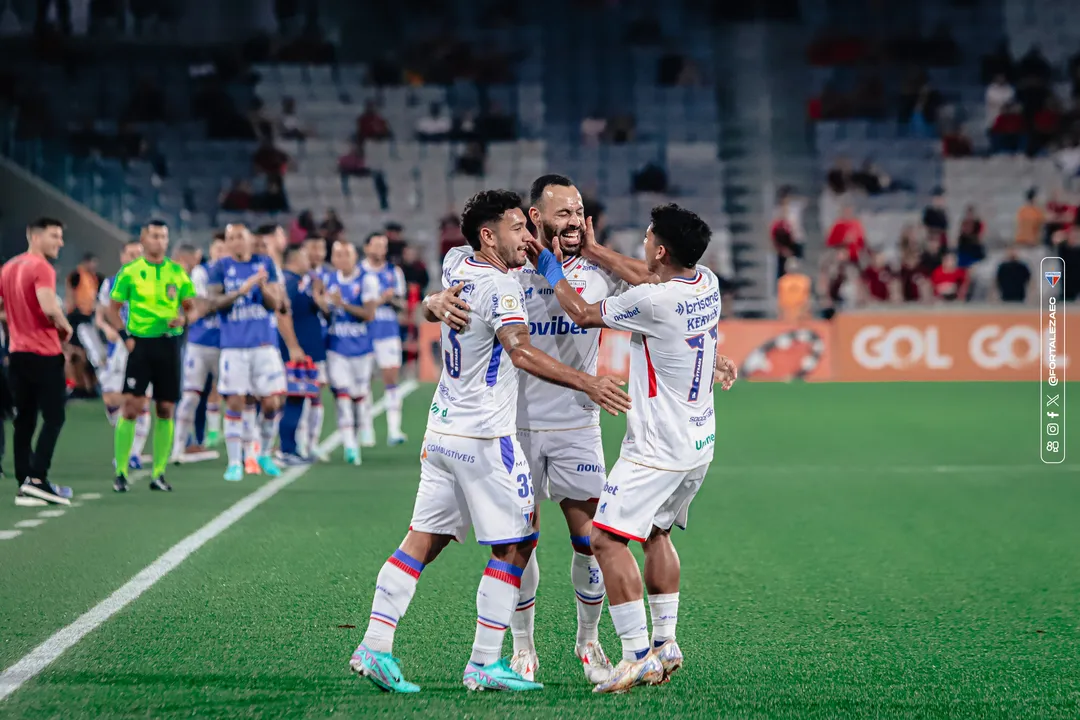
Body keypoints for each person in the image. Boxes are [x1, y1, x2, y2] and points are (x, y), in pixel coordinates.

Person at [348, 189, 631, 693]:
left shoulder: (457, 263)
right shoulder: (502, 286)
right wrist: (587, 381)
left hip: (441, 431)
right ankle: (485, 662)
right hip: (486, 437)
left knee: (421, 541)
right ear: (489, 235)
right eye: (518, 228)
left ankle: (374, 645)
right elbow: (520, 352)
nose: (526, 237)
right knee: (519, 542)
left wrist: (433, 303)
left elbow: (441, 300)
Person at [529, 203, 722, 693]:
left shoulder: (654, 304)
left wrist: (549, 267)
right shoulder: (707, 284)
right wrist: (594, 252)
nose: (642, 243)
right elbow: (647, 274)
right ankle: (666, 642)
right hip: (698, 443)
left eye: (647, 236)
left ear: (659, 249)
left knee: (606, 540)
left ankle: (636, 655)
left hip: (656, 450)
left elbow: (582, 311)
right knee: (658, 534)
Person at [107, 221, 197, 494]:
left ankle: (159, 473)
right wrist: (126, 339)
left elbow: (191, 308)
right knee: (132, 406)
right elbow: (113, 309)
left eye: (164, 236)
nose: (160, 241)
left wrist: (183, 318)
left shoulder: (177, 272)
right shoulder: (130, 272)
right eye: (155, 235)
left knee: (166, 409)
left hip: (169, 345)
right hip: (141, 346)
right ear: (144, 238)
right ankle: (121, 471)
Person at [0, 218, 74, 506]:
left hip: (17, 354)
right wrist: (66, 327)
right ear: (35, 236)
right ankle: (38, 478)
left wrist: (19, 321)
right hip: (43, 354)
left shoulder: (8, 268)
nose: (60, 242)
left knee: (25, 420)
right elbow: (48, 307)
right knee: (55, 417)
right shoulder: (41, 267)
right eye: (55, 235)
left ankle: (25, 484)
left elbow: (4, 310)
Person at [208, 224, 287, 482]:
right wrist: (240, 291)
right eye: (230, 238)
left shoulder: (265, 264)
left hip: (264, 345)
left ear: (250, 240)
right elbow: (214, 303)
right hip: (234, 347)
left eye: (240, 237)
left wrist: (262, 287)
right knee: (234, 402)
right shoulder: (220, 267)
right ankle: (234, 462)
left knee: (272, 402)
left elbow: (275, 304)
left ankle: (263, 452)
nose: (235, 242)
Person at [96, 240, 152, 471]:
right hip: (118, 347)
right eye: (131, 254)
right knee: (110, 399)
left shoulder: (152, 281)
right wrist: (107, 328)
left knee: (142, 400)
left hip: (143, 345)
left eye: (139, 254)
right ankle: (125, 437)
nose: (135, 257)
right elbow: (100, 314)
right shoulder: (111, 283)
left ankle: (134, 453)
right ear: (122, 257)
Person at [170, 234, 227, 463]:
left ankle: (246, 450)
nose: (222, 253)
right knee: (190, 396)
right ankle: (178, 448)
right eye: (218, 248)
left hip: (228, 344)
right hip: (200, 342)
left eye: (226, 249)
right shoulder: (201, 273)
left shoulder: (236, 272)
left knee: (236, 397)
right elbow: (199, 305)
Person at [326, 240, 378, 465]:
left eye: (346, 254)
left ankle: (357, 435)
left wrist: (342, 304)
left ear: (354, 257)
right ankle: (349, 444)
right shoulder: (328, 280)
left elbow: (369, 314)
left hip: (361, 349)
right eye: (337, 254)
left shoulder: (366, 280)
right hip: (336, 348)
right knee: (342, 396)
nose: (341, 259)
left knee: (358, 397)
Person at [278, 244, 330, 464]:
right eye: (304, 256)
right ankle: (286, 449)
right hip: (297, 352)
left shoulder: (302, 283)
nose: (309, 260)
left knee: (300, 399)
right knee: (294, 398)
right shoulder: (290, 283)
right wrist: (293, 346)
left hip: (306, 351)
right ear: (295, 259)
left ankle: (293, 448)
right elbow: (283, 314)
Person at [360, 232, 408, 446]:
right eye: (377, 245)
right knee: (364, 383)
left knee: (391, 380)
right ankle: (366, 429)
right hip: (365, 333)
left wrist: (393, 301)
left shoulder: (394, 272)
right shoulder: (358, 272)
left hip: (388, 332)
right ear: (366, 248)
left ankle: (394, 429)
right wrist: (381, 299)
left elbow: (402, 305)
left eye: (384, 246)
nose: (381, 250)